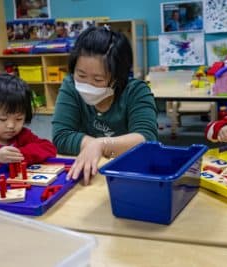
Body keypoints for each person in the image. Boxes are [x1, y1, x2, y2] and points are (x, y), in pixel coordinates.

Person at [52, 26, 158, 185]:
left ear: (117, 78)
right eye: (81, 75)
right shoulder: (70, 85)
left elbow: (146, 139)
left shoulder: (136, 91)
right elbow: (61, 136)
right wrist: (93, 146)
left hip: (128, 176)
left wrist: (101, 144)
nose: (87, 84)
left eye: (98, 80)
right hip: (88, 177)